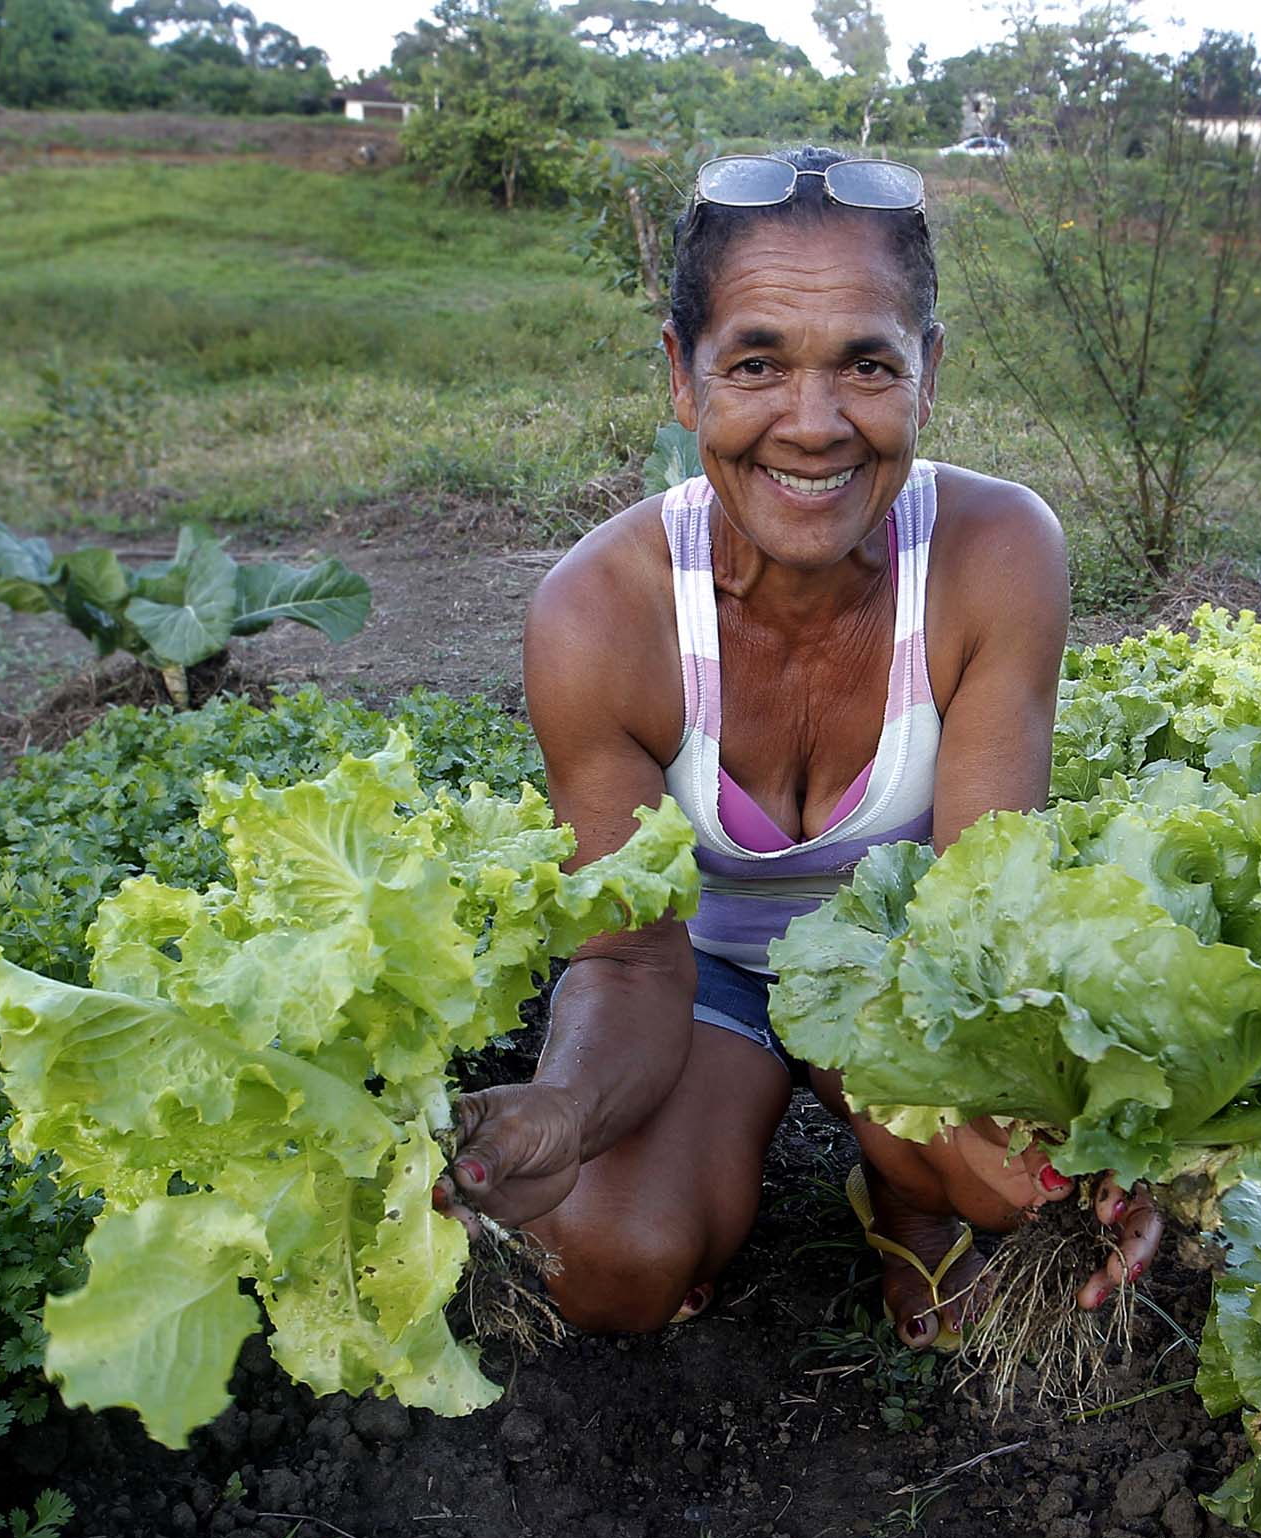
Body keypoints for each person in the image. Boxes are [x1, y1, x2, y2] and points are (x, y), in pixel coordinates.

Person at [439, 146, 1161, 1350]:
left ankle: (906, 1198)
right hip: (700, 981)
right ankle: (727, 1157)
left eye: (868, 364)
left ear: (930, 372)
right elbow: (628, 961)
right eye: (758, 362)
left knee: (1022, 1188)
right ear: (683, 375)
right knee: (607, 1261)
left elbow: (977, 927)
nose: (815, 425)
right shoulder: (600, 612)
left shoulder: (996, 552)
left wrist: (1089, 1141)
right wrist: (566, 1108)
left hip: (901, 974)